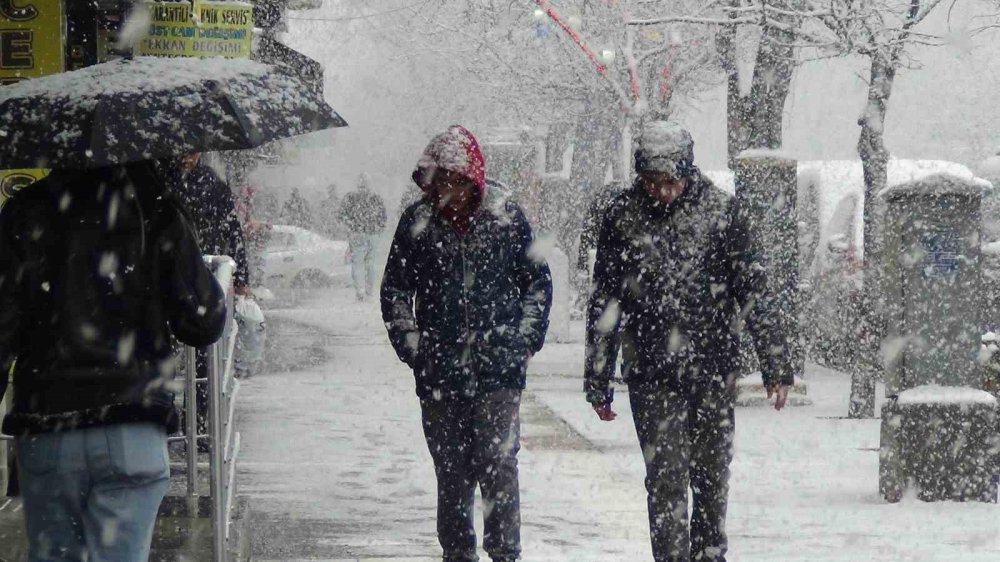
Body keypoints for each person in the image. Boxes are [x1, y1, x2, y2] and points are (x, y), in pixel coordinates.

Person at [584, 121, 796, 562]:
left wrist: (776, 364)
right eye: (652, 182)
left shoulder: (723, 213)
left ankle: (709, 554)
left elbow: (754, 290)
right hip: (651, 372)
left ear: (687, 171)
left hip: (713, 370)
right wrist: (598, 376)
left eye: (670, 182)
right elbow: (606, 301)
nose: (662, 192)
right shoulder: (622, 218)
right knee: (665, 482)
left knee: (712, 479)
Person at [0, 162, 227, 561]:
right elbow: (202, 322)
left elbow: (3, 323)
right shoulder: (154, 208)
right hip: (131, 425)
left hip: (48, 426)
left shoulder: (25, 211)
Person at [381, 125, 553, 562]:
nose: (448, 192)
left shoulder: (506, 216)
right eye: (440, 181)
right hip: (439, 371)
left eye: (456, 182)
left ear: (472, 180)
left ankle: (505, 554)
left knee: (499, 469)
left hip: (498, 370)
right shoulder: (417, 223)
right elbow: (396, 290)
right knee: (452, 476)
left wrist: (523, 339)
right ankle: (457, 554)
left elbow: (536, 282)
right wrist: (413, 346)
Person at [174, 152, 251, 294]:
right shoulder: (163, 180)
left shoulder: (212, 183)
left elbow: (233, 230)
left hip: (204, 266)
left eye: (192, 152)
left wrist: (241, 277)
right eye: (183, 151)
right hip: (174, 267)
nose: (187, 157)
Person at [340, 173, 387, 301]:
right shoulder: (376, 198)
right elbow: (383, 218)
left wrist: (350, 228)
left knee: (357, 263)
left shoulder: (351, 198)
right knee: (370, 263)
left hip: (357, 234)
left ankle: (359, 291)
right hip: (372, 234)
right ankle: (369, 289)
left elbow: (342, 215)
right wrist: (378, 229)